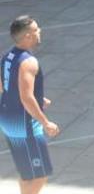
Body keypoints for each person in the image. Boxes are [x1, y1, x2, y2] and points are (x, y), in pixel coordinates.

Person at [0, 16, 60, 194]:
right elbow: (26, 98)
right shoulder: (29, 62)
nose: (39, 31)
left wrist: (38, 98)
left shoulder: (8, 56)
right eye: (36, 29)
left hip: (8, 120)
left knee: (27, 174)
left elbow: (3, 86)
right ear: (27, 36)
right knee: (40, 175)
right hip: (25, 125)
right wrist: (45, 122)